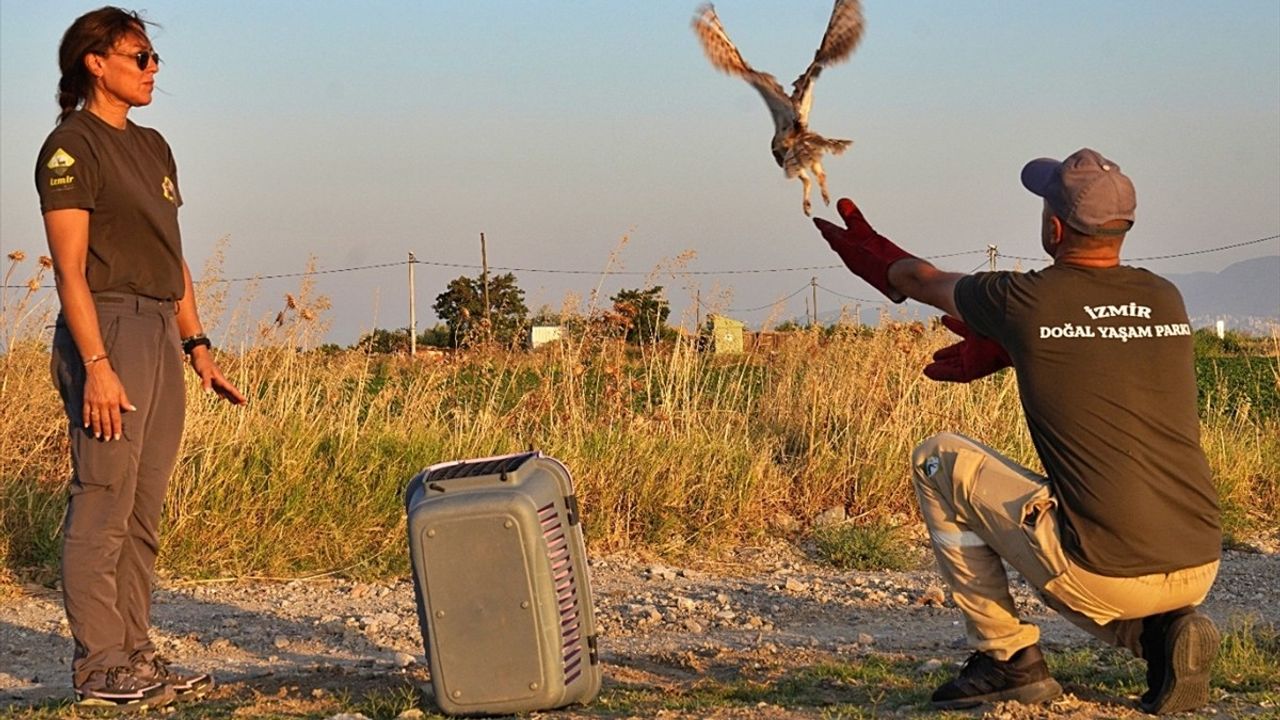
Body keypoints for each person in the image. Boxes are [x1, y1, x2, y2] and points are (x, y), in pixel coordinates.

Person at [813, 148, 1222, 715]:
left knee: (938, 459)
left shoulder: (1023, 299)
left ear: (1054, 228)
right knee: (1091, 540)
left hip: (1108, 571)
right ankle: (1161, 637)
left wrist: (874, 256)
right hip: (1200, 560)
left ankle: (1005, 657)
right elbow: (1095, 346)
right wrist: (1012, 348)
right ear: (1124, 226)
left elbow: (922, 279)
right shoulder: (1163, 296)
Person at [35, 6, 247, 710]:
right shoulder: (72, 147)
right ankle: (99, 664)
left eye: (154, 58)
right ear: (96, 63)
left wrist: (198, 344)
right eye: (141, 57)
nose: (155, 69)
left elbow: (172, 253)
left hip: (158, 328)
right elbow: (69, 272)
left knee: (143, 505)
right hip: (109, 324)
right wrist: (96, 363)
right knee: (104, 497)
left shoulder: (153, 146)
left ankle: (135, 652)